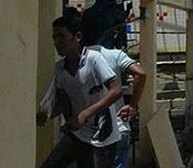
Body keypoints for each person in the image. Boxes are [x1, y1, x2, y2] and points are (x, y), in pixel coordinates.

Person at [37, 15, 123, 168]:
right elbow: (64, 102)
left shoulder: (94, 59)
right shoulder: (60, 69)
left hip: (101, 137)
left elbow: (116, 91)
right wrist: (47, 114)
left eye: (61, 37)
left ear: (77, 37)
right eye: (54, 37)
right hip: (77, 134)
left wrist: (85, 114)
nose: (57, 42)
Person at [84, 42, 147, 168]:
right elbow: (140, 73)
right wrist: (132, 105)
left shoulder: (75, 61)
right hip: (119, 127)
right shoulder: (115, 54)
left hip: (91, 134)